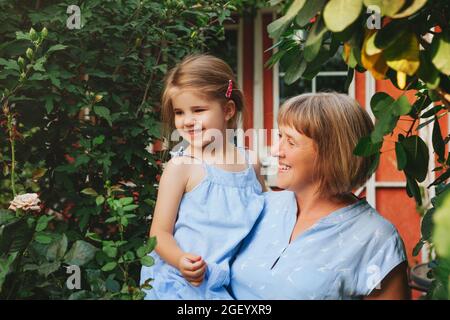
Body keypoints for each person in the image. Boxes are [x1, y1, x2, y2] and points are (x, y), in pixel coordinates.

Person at [229, 92, 411, 300]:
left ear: (330, 153)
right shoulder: (261, 207)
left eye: (291, 141)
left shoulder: (377, 239)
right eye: (280, 137)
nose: (275, 150)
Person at [140, 54, 266, 299]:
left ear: (228, 110)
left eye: (198, 110)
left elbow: (267, 220)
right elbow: (159, 234)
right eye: (179, 112)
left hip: (232, 283)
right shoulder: (182, 167)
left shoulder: (251, 162)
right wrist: (180, 259)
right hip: (184, 283)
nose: (187, 121)